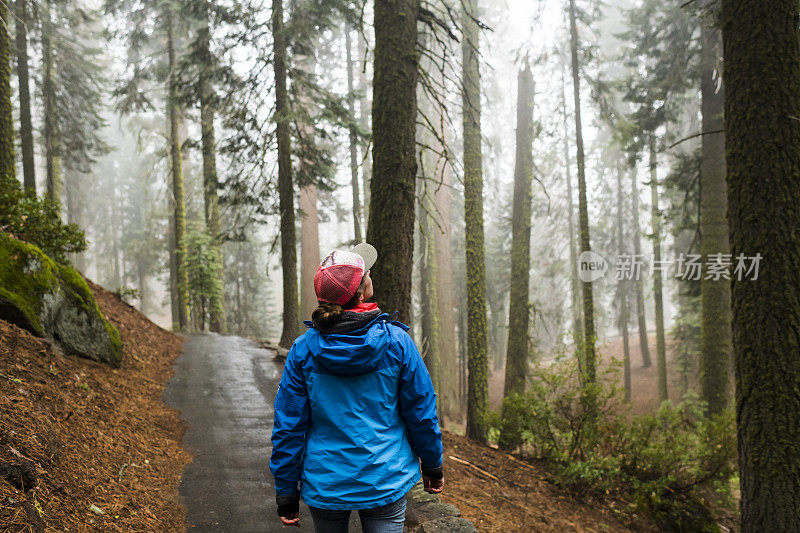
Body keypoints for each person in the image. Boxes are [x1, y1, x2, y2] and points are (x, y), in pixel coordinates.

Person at [269, 243, 444, 532]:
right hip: (383, 476)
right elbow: (421, 411)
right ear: (361, 293)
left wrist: (286, 491)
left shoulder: (303, 351)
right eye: (367, 274)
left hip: (326, 482)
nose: (370, 274)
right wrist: (433, 465)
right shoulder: (397, 343)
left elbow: (289, 426)